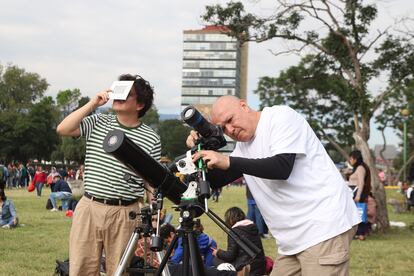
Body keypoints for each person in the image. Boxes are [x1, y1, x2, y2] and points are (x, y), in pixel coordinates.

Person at [187, 95, 360, 275]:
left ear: (244, 106)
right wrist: (197, 150)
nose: (230, 130)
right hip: (291, 242)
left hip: (323, 227)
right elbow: (215, 181)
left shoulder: (280, 117)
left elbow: (281, 167)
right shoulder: (243, 147)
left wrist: (227, 160)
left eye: (230, 120)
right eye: (223, 128)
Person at [57, 73, 161, 276]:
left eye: (126, 94)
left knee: (119, 271)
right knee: (80, 269)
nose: (118, 96)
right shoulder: (98, 122)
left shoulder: (151, 137)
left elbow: (152, 180)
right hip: (90, 206)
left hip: (126, 212)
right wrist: (93, 104)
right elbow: (63, 128)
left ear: (139, 105)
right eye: (118, 91)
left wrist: (156, 212)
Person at [213, 207, 266, 276]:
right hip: (260, 266)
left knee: (216, 260)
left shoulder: (234, 232)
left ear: (230, 220)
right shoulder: (252, 227)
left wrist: (218, 252)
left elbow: (230, 256)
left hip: (246, 268)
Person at [348, 150, 372, 240]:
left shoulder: (360, 168)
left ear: (355, 158)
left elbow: (361, 182)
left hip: (358, 193)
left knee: (359, 213)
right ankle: (357, 233)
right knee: (356, 213)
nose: (350, 160)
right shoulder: (357, 168)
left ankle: (361, 233)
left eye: (351, 158)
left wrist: (358, 196)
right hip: (353, 192)